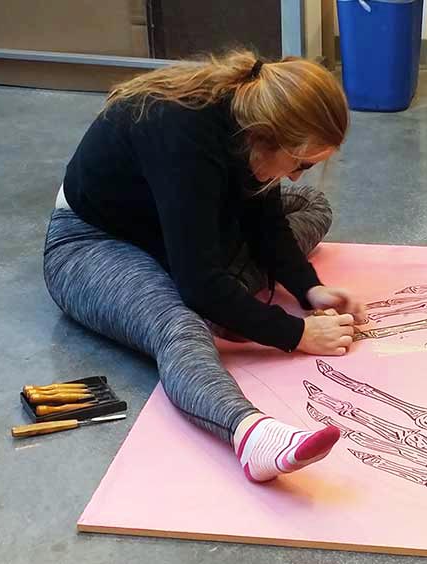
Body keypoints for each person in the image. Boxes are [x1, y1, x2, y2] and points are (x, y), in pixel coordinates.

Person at [43, 50, 366, 483]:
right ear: (265, 137)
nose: (296, 177)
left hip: (166, 224)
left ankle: (227, 301)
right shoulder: (182, 138)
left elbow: (264, 216)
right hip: (90, 242)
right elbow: (196, 283)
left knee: (312, 205)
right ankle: (251, 435)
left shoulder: (253, 117)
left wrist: (310, 289)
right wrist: (296, 333)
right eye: (301, 163)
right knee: (179, 323)